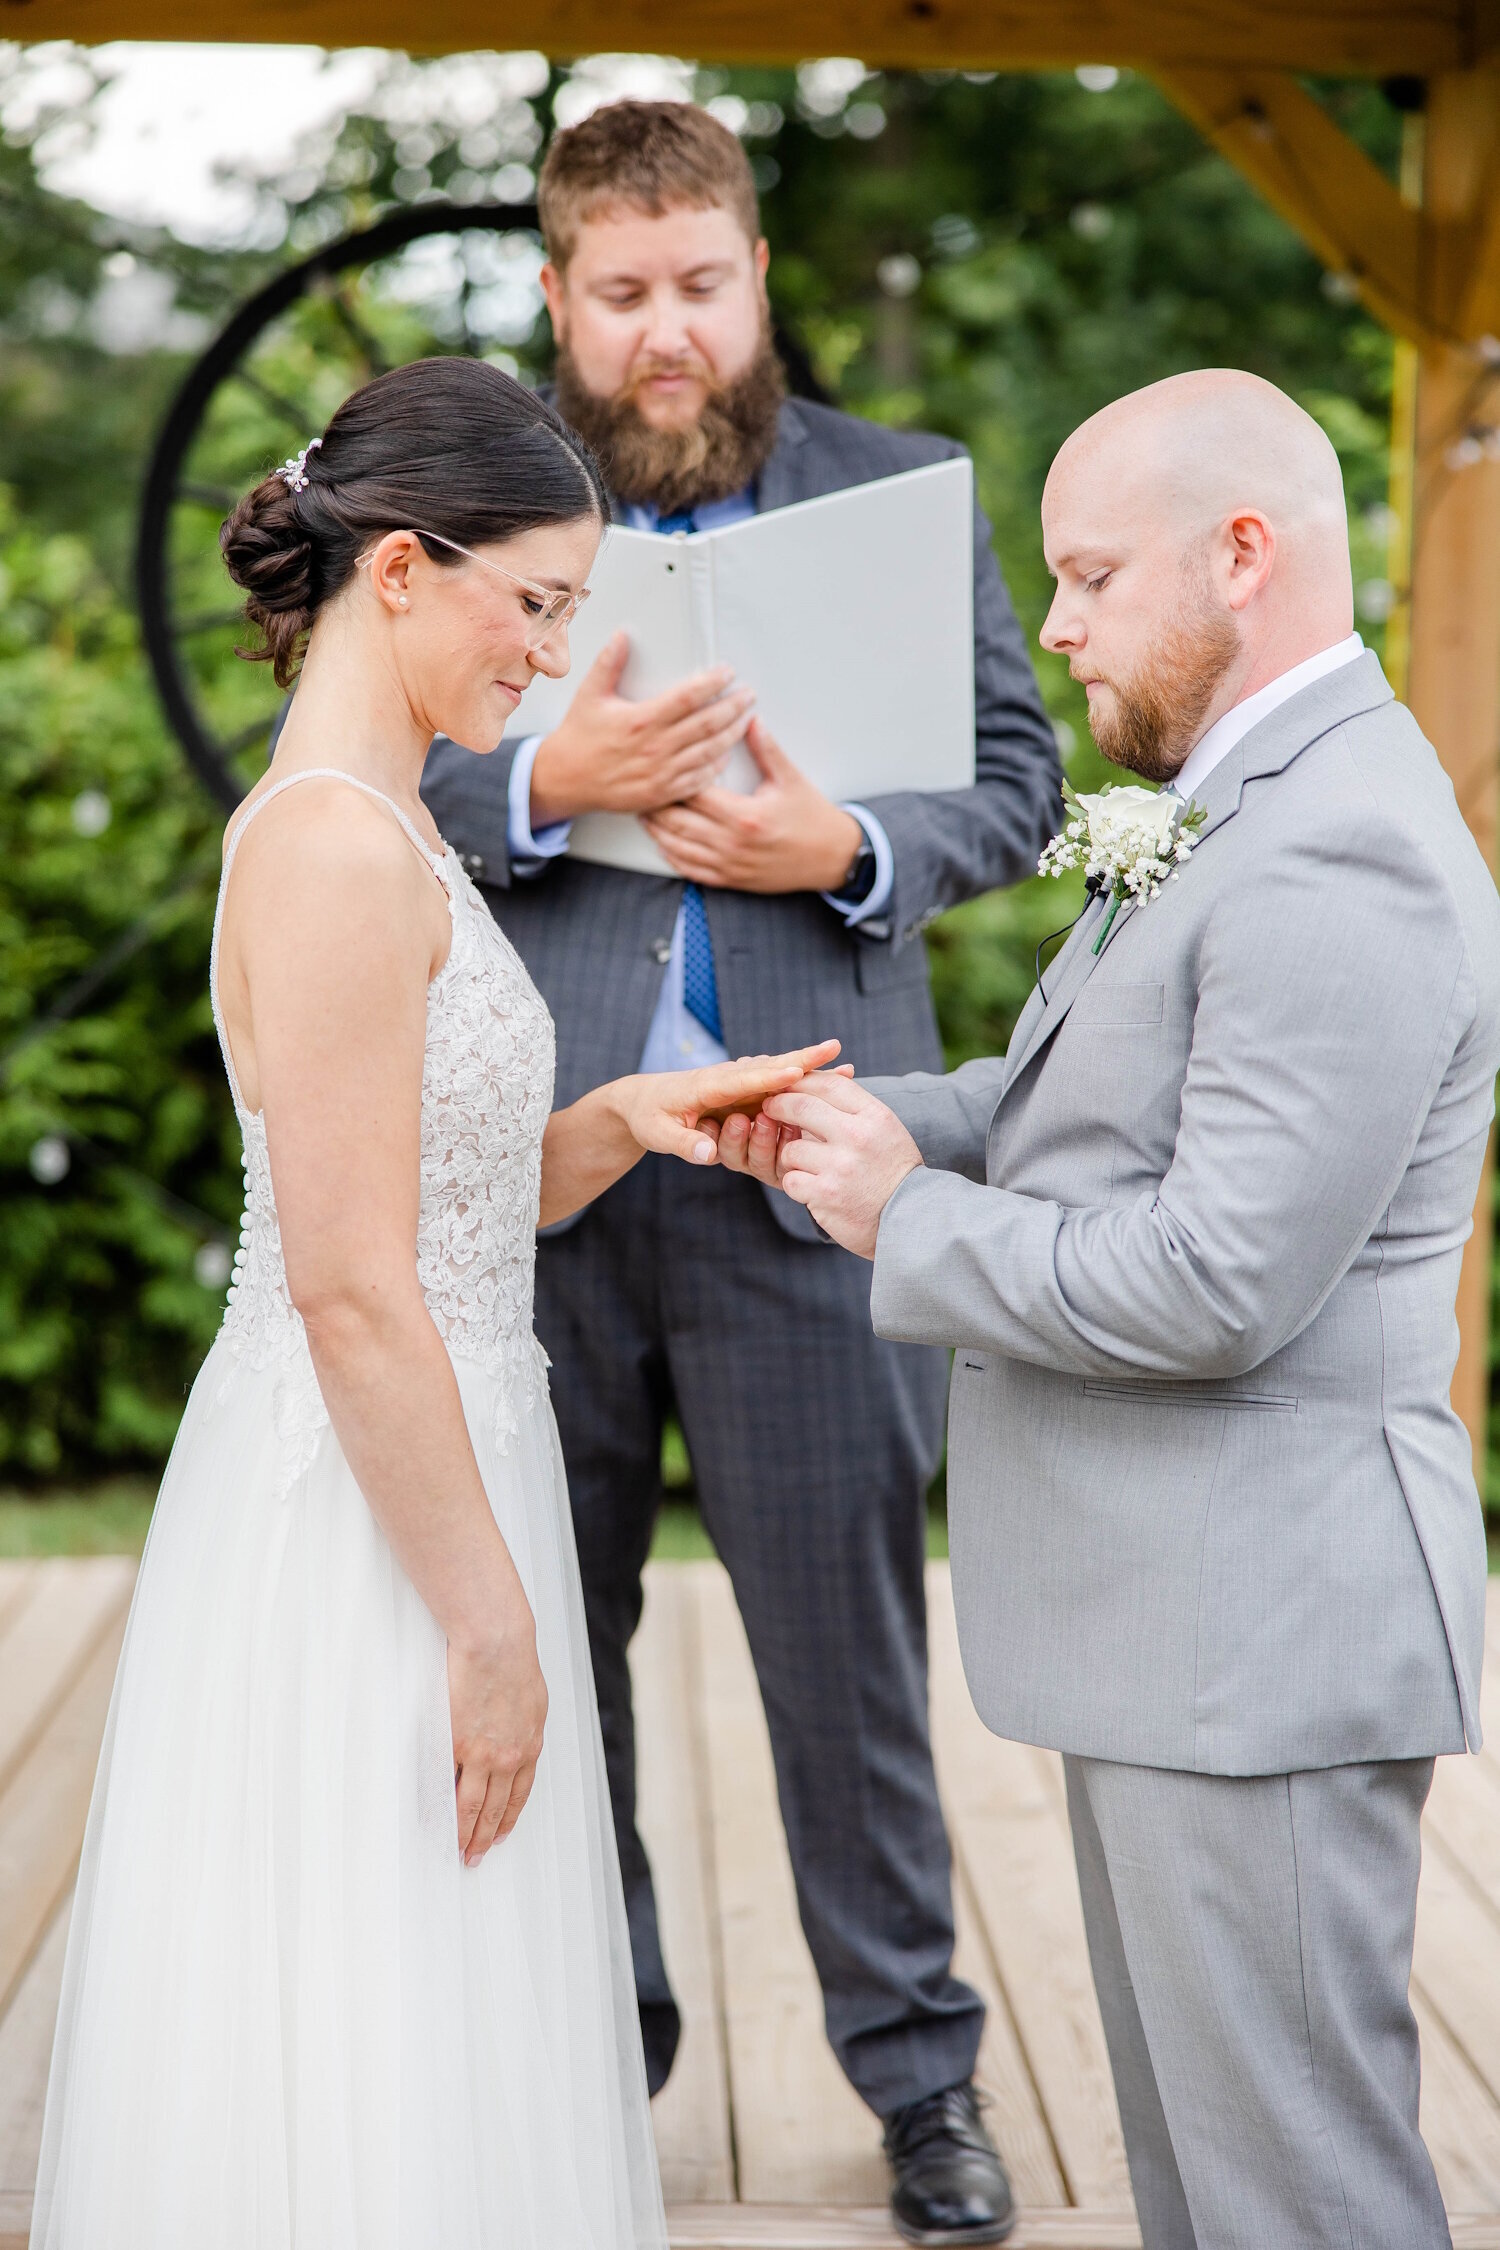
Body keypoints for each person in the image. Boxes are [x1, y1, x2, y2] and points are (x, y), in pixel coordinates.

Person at [30, 355, 835, 2250]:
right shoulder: (325, 843)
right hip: (369, 1518)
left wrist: (625, 1117)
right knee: (372, 2000)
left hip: (451, 1468)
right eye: (538, 601)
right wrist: (485, 1623)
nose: (556, 657)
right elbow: (348, 1286)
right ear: (401, 568)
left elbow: (444, 1195)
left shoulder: (390, 823)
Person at [721, 369, 1500, 2250]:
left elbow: (1219, 1281)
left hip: (1264, 1642)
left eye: (1085, 574)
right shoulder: (1236, 800)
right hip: (1188, 1626)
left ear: (1245, 557)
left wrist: (903, 1222)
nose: (1051, 622)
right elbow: (1080, 1097)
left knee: (1299, 2200)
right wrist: (845, 1115)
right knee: (1203, 2194)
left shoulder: (1342, 845)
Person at [422, 101, 1061, 2246]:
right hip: (550, 1172)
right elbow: (362, 758)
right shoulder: (469, 512)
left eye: (704, 286)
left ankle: (922, 2090)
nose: (669, 333)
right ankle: (603, 2053)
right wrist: (534, 780)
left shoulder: (899, 495)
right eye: (625, 298)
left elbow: (1021, 779)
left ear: (757, 271)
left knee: (848, 1657)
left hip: (816, 1156)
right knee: (545, 1624)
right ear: (556, 299)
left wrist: (850, 848)